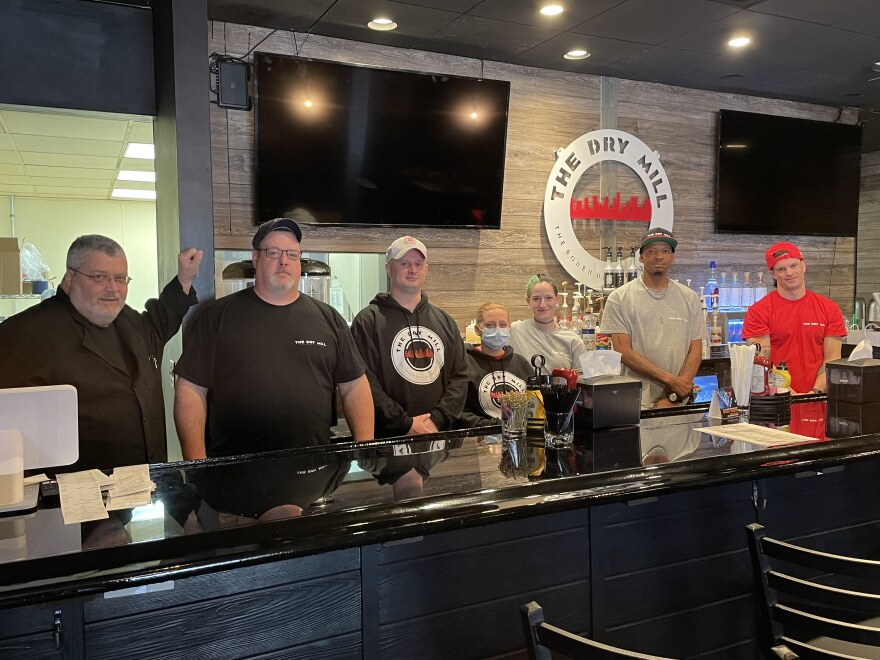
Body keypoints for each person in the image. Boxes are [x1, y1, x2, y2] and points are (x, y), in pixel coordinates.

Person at [173, 217, 374, 459]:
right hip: (236, 474)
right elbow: (191, 389)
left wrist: (365, 451)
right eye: (273, 252)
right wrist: (196, 464)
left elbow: (354, 385)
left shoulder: (329, 318)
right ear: (255, 258)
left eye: (292, 254)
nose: (284, 261)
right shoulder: (217, 316)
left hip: (310, 472)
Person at [0, 234, 202, 471]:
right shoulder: (23, 334)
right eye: (99, 277)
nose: (113, 288)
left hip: (143, 487)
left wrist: (184, 278)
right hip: (70, 495)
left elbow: (161, 319)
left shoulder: (131, 322)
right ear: (69, 278)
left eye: (120, 278)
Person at [351, 236, 468, 439]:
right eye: (404, 264)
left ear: (426, 269)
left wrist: (437, 420)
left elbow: (460, 378)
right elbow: (364, 381)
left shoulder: (445, 321)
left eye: (418, 264)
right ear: (389, 269)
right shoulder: (367, 321)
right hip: (387, 441)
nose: (412, 270)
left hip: (439, 438)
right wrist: (404, 424)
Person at [600, 228, 705, 409]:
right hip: (637, 403)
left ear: (673, 257)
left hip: (680, 401)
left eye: (665, 251)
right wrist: (671, 380)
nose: (659, 256)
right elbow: (622, 350)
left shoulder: (690, 298)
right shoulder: (619, 298)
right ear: (641, 258)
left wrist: (674, 396)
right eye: (651, 251)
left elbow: (696, 349)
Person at [743, 241, 846, 395]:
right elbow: (762, 361)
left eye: (793, 265)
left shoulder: (829, 308)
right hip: (776, 401)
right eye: (781, 269)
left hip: (817, 399)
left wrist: (814, 392)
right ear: (772, 274)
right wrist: (787, 392)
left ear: (803, 266)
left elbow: (832, 359)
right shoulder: (758, 311)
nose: (789, 273)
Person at [458, 302, 532, 428]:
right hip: (479, 439)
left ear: (509, 327)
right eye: (490, 325)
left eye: (503, 325)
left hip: (517, 436)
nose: (498, 329)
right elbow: (459, 411)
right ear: (477, 330)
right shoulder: (464, 363)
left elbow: (535, 404)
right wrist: (496, 426)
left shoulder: (521, 363)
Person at [509, 274, 586, 373]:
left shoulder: (573, 341)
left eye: (548, 298)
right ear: (528, 301)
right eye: (536, 299)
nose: (542, 304)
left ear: (557, 299)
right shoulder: (514, 331)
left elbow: (582, 381)